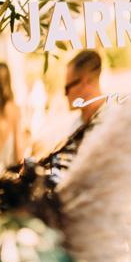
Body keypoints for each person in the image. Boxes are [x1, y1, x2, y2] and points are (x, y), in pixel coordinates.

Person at [39, 49, 105, 185]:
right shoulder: (77, 125)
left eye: (67, 87)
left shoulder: (111, 120)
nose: (65, 94)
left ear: (85, 82)